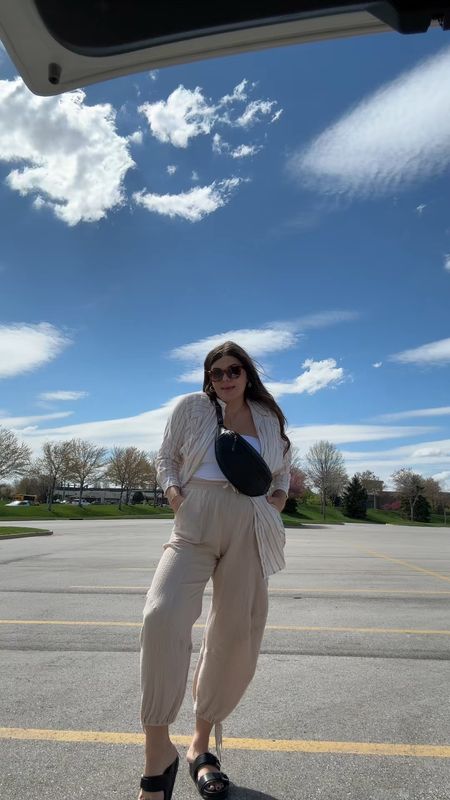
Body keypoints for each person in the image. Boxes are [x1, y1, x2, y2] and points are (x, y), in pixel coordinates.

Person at [138, 341, 291, 800]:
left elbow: (281, 470)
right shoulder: (191, 408)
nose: (225, 378)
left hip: (249, 523)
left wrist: (279, 498)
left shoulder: (268, 418)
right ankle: (156, 752)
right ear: (208, 377)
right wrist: (174, 494)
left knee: (231, 635)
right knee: (160, 616)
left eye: (234, 370)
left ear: (247, 374)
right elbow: (165, 456)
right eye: (217, 371)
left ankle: (200, 747)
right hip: (195, 518)